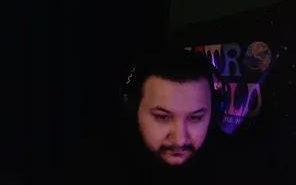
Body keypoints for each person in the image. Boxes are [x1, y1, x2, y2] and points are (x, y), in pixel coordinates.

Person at [74, 48, 233, 182]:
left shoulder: (236, 165)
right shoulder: (93, 166)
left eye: (195, 118)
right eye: (163, 117)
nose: (179, 140)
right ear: (133, 110)